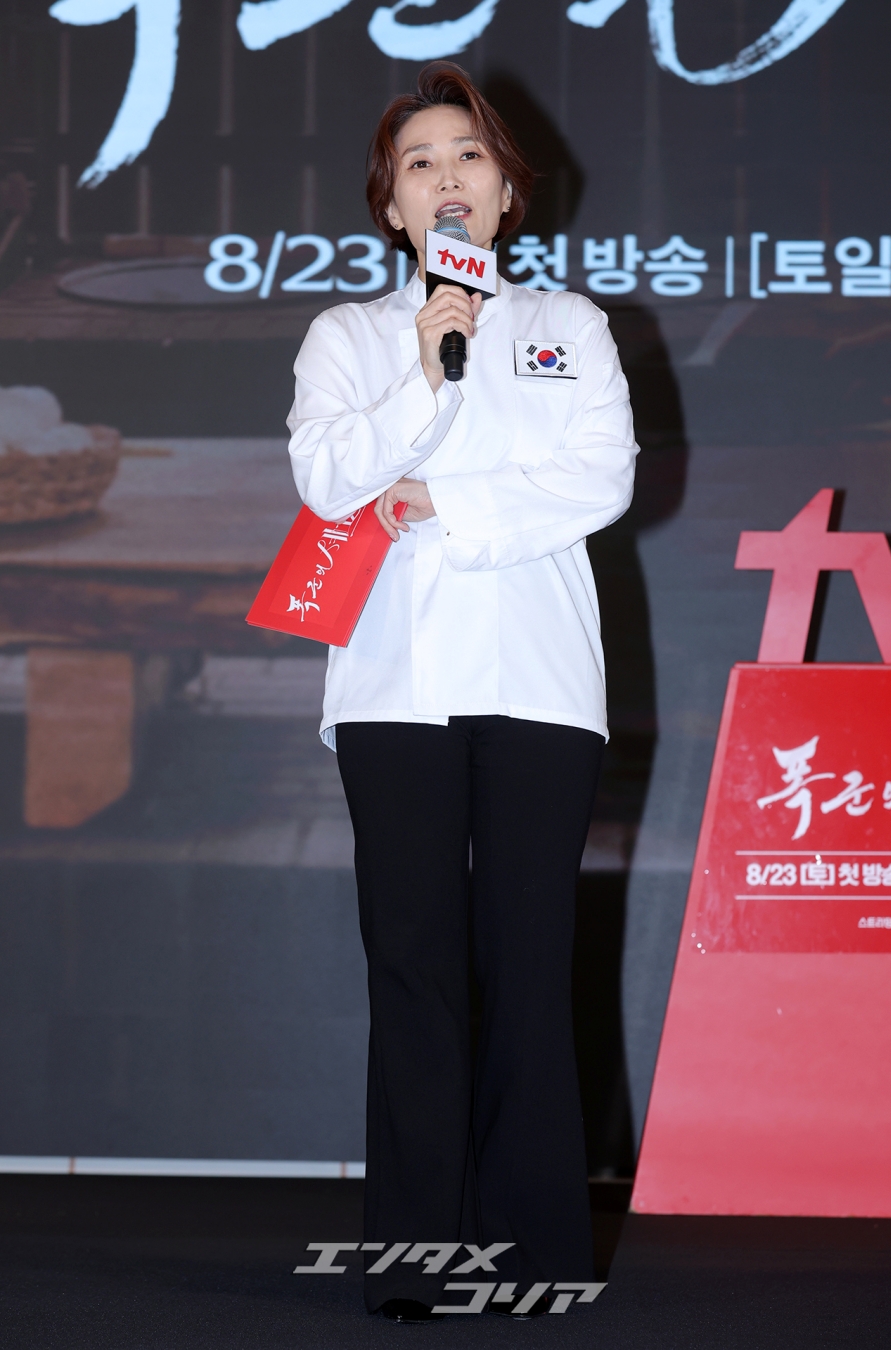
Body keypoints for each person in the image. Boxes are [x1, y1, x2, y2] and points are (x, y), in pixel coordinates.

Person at [286, 62, 638, 1322]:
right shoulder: (348, 338)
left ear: (506, 193)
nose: (447, 177)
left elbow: (599, 479)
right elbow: (329, 479)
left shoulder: (570, 326)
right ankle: (417, 1251)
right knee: (415, 965)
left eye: (468, 156)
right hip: (393, 681)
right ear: (392, 205)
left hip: (540, 678)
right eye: (420, 162)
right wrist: (428, 376)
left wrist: (439, 503)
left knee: (531, 965)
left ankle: (535, 1250)